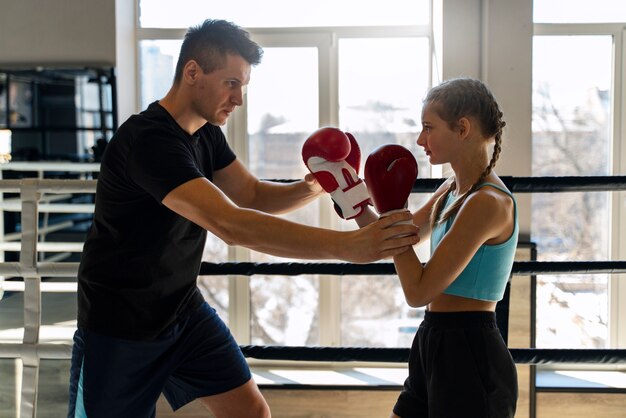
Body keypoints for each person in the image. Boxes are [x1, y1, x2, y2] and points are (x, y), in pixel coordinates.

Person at [67, 19, 418, 418]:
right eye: (231, 83)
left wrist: (317, 184)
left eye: (243, 87)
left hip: (181, 311)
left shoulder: (205, 133)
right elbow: (230, 223)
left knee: (251, 412)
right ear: (193, 72)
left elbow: (252, 195)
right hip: (119, 327)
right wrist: (346, 246)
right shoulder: (148, 142)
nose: (238, 99)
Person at [352, 77, 519, 417]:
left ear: (462, 129)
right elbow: (399, 237)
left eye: (429, 127)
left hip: (470, 351)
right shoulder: (450, 190)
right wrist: (352, 200)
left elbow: (419, 290)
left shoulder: (487, 202)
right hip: (434, 339)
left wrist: (389, 211)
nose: (420, 140)